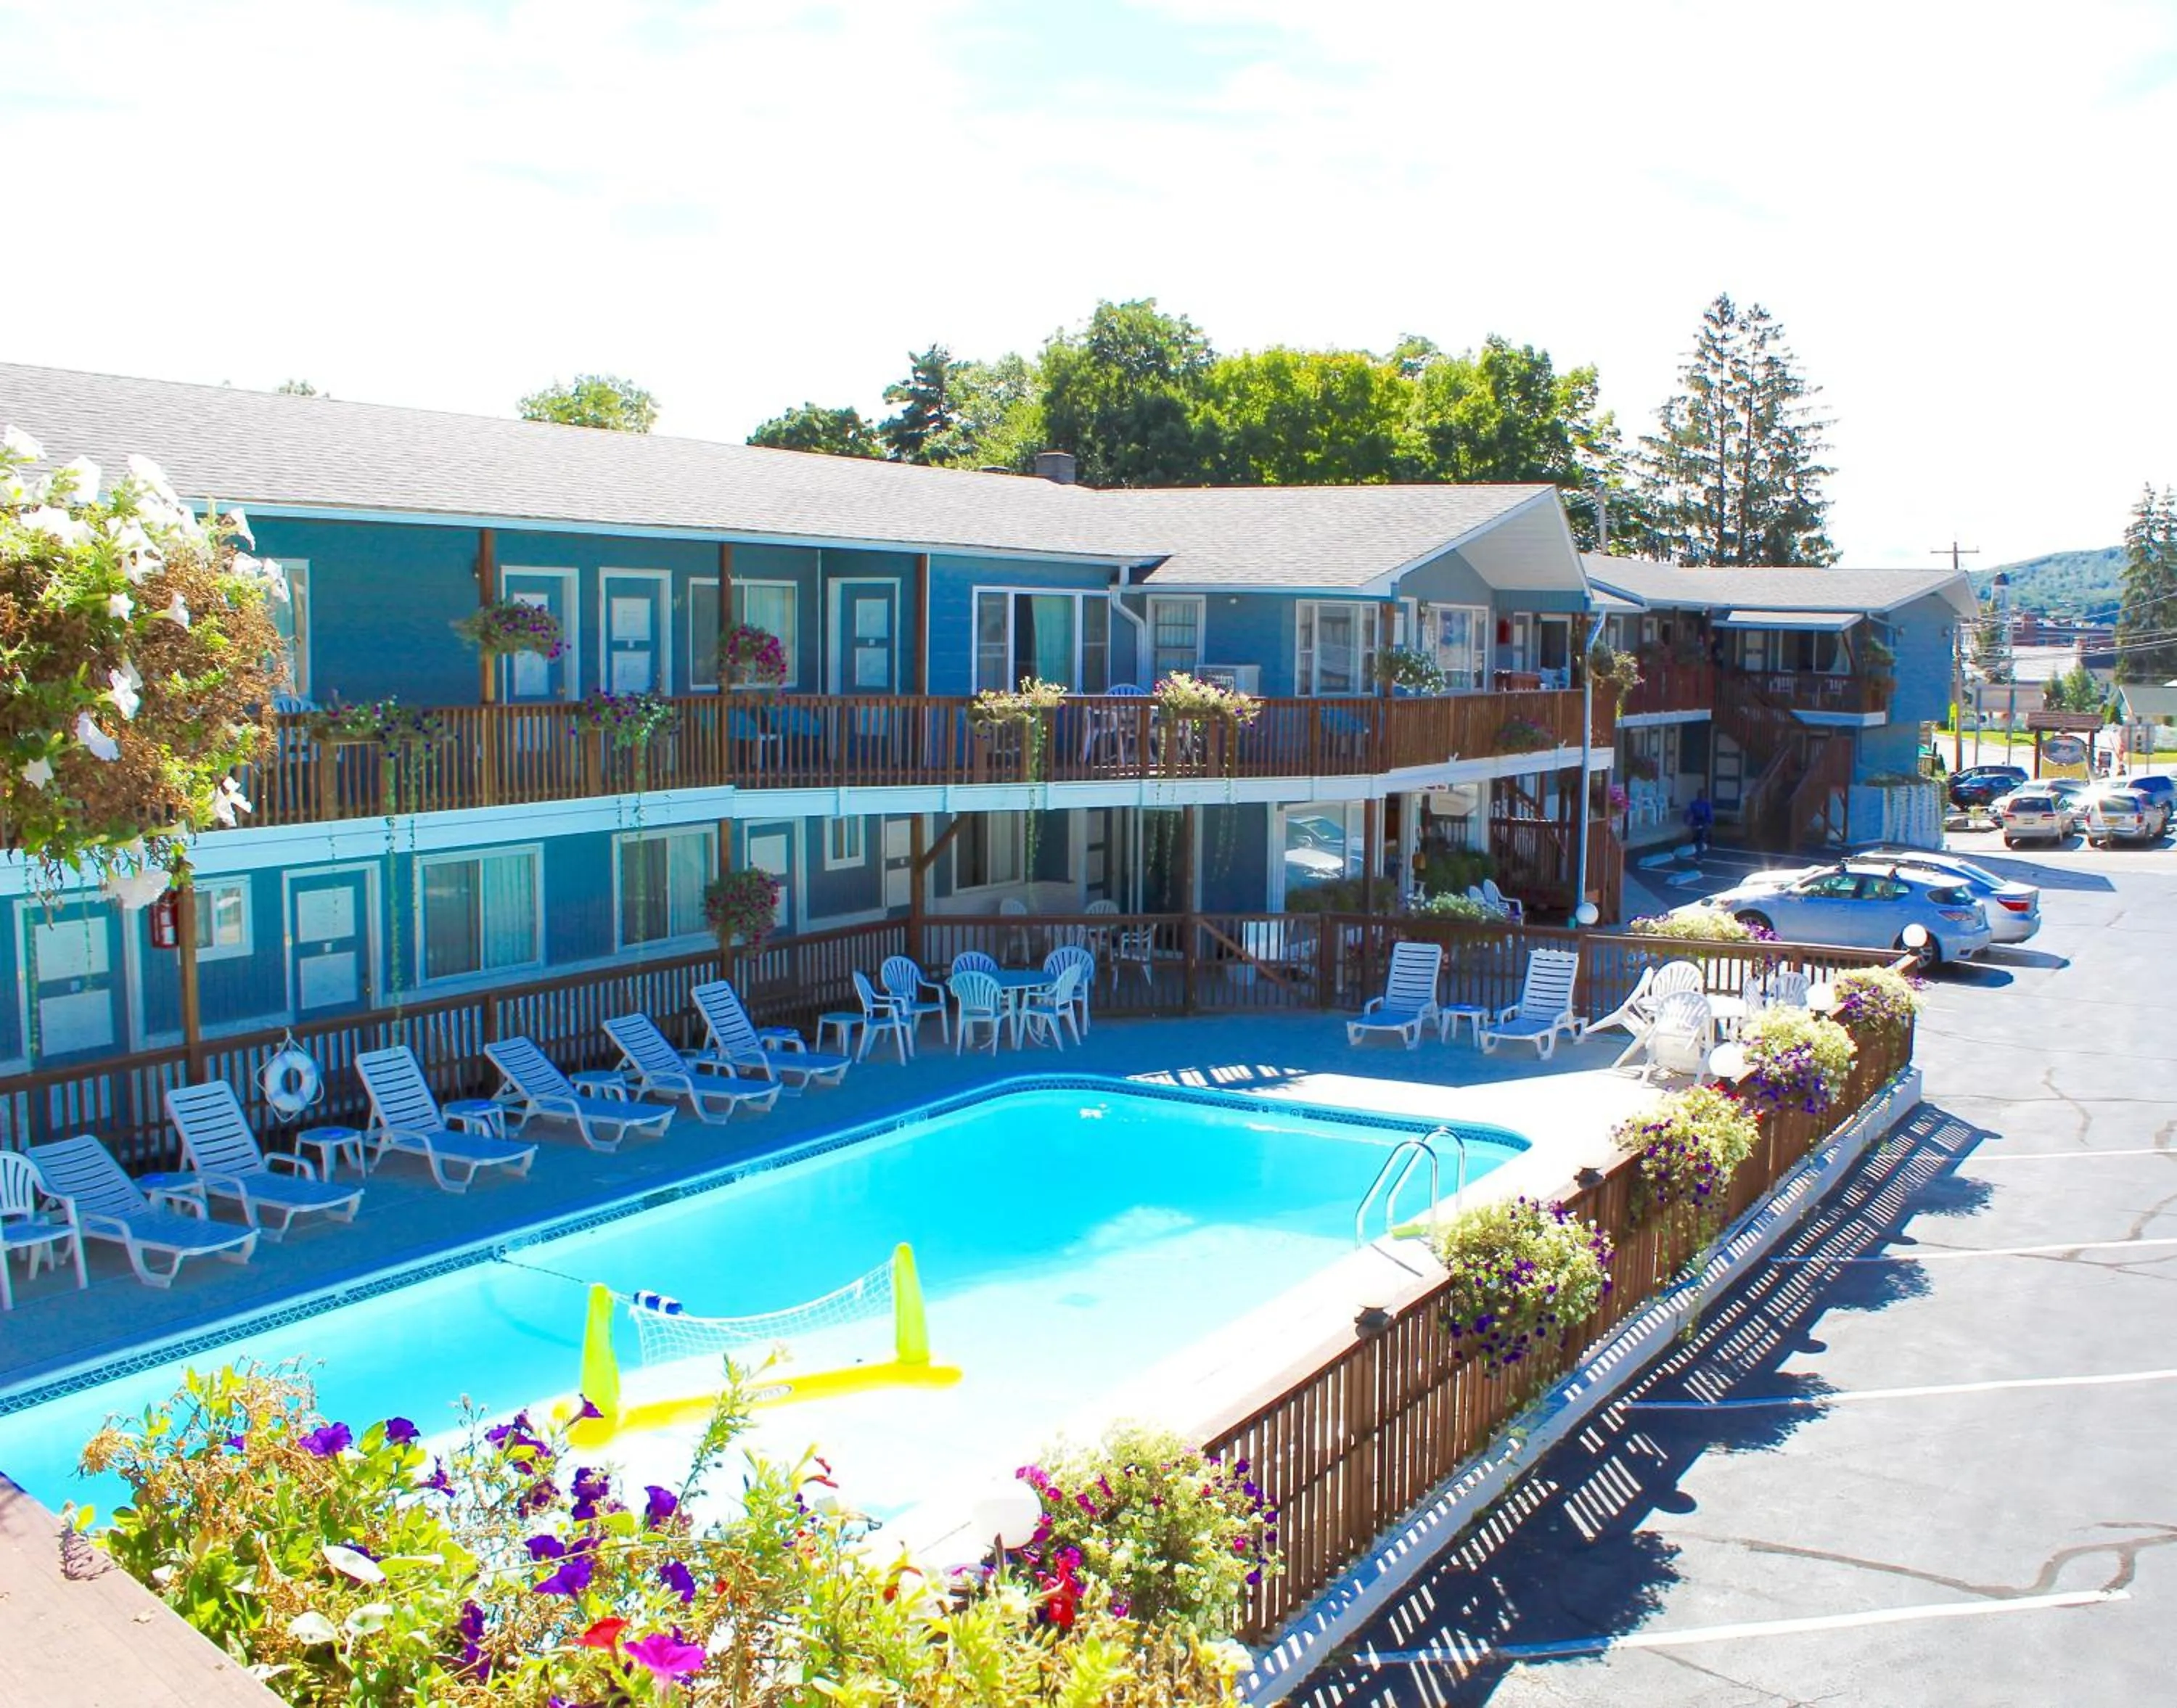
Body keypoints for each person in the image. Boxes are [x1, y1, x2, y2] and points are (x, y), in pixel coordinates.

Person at [1685, 789, 1713, 858]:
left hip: (1704, 823)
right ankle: (1697, 846)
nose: (1701, 796)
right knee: (1697, 837)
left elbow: (1710, 816)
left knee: (1700, 838)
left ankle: (1699, 855)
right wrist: (1689, 822)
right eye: (1700, 795)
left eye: (1702, 795)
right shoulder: (1693, 803)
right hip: (1695, 823)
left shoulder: (1707, 804)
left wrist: (1708, 824)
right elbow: (1689, 814)